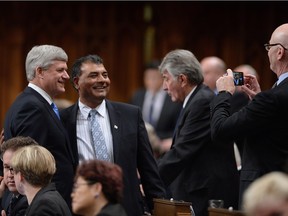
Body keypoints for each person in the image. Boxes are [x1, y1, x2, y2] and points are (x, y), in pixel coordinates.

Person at [60, 54, 166, 216]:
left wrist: (158, 207)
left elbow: (148, 169)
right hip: (80, 209)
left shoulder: (130, 115)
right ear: (76, 82)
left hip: (126, 208)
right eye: (93, 75)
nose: (102, 80)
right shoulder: (63, 120)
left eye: (105, 74)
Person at [210, 23, 288, 208]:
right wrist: (259, 98)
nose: (267, 52)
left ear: (279, 52)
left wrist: (224, 93)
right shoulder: (273, 96)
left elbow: (220, 131)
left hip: (265, 192)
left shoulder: (272, 98)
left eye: (269, 47)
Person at [157, 49, 239, 215]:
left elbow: (181, 151)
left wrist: (149, 178)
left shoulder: (202, 101)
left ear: (182, 79)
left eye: (166, 79)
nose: (164, 87)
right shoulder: (196, 99)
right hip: (197, 190)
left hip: (206, 195)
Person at [3, 45, 76, 209]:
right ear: (40, 72)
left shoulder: (37, 104)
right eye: (60, 70)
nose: (66, 76)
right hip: (41, 206)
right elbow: (29, 169)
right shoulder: (32, 108)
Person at [130, 61, 182, 156]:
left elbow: (177, 128)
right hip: (139, 147)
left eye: (154, 77)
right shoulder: (137, 96)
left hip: (164, 148)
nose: (151, 81)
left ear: (163, 78)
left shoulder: (173, 97)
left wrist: (156, 139)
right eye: (148, 77)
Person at [10, 145, 71, 216]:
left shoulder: (43, 205)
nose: (12, 176)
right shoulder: (50, 197)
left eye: (13, 171)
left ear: (21, 176)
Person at [0, 136, 35, 216]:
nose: (10, 175)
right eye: (6, 167)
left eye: (15, 168)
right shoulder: (7, 193)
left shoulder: (29, 201)